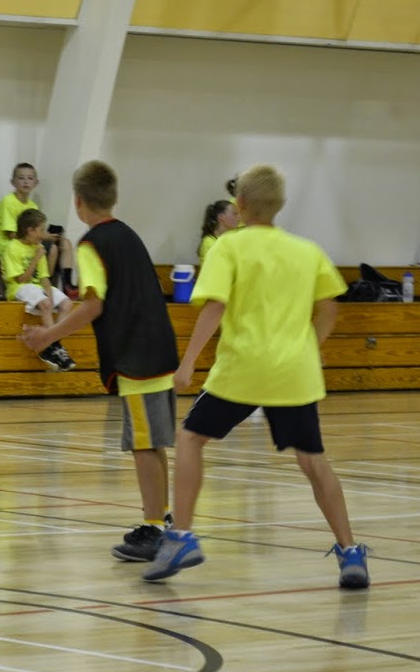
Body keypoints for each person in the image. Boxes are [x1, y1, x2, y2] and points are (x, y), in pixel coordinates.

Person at [149, 164, 369, 589]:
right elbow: (329, 307)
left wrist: (187, 361)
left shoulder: (228, 247)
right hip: (294, 372)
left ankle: (181, 538)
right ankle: (350, 552)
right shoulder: (307, 250)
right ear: (280, 205)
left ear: (241, 204)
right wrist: (311, 346)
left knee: (190, 439)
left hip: (243, 368)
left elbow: (215, 306)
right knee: (313, 461)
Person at [20, 160, 180, 562]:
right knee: (153, 443)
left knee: (143, 445)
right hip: (158, 347)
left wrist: (47, 336)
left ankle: (154, 528)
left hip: (135, 355)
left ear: (78, 202)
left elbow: (94, 305)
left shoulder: (92, 244)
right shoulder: (129, 235)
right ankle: (162, 517)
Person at [4, 207, 77, 371]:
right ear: (30, 230)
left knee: (67, 304)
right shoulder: (12, 248)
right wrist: (36, 258)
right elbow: (21, 279)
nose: (44, 235)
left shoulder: (38, 247)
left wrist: (50, 295)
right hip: (19, 288)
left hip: (37, 287)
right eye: (41, 230)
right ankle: (53, 345)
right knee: (45, 303)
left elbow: (44, 278)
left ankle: (52, 344)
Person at [0, 163, 74, 293]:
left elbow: (36, 231)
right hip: (10, 246)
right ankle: (43, 287)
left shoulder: (33, 205)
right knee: (49, 248)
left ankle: (62, 285)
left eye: (30, 178)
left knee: (63, 244)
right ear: (13, 182)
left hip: (28, 243)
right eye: (21, 178)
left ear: (36, 183)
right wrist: (44, 236)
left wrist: (47, 236)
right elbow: (11, 234)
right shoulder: (8, 201)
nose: (26, 182)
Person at [198, 193, 238, 265]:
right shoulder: (209, 243)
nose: (238, 218)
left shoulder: (232, 238)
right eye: (234, 214)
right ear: (221, 217)